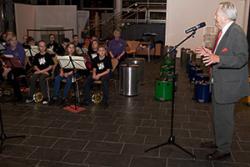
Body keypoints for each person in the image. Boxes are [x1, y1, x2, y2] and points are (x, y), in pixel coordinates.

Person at [195, 2, 249, 160]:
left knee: (224, 118)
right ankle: (218, 141)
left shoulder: (236, 32)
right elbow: (223, 53)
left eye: (217, 14)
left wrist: (217, 58)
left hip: (228, 86)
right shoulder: (224, 31)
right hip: (220, 83)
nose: (214, 17)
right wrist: (210, 53)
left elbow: (242, 58)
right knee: (218, 116)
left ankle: (224, 149)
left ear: (225, 16)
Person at [25, 40, 54, 104]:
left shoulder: (48, 55)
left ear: (45, 47)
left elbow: (50, 66)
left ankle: (45, 98)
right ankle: (30, 97)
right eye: (41, 46)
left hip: (47, 72)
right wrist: (39, 71)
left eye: (43, 46)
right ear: (38, 47)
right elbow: (35, 66)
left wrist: (42, 72)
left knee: (41, 79)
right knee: (33, 78)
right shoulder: (36, 55)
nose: (42, 48)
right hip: (39, 71)